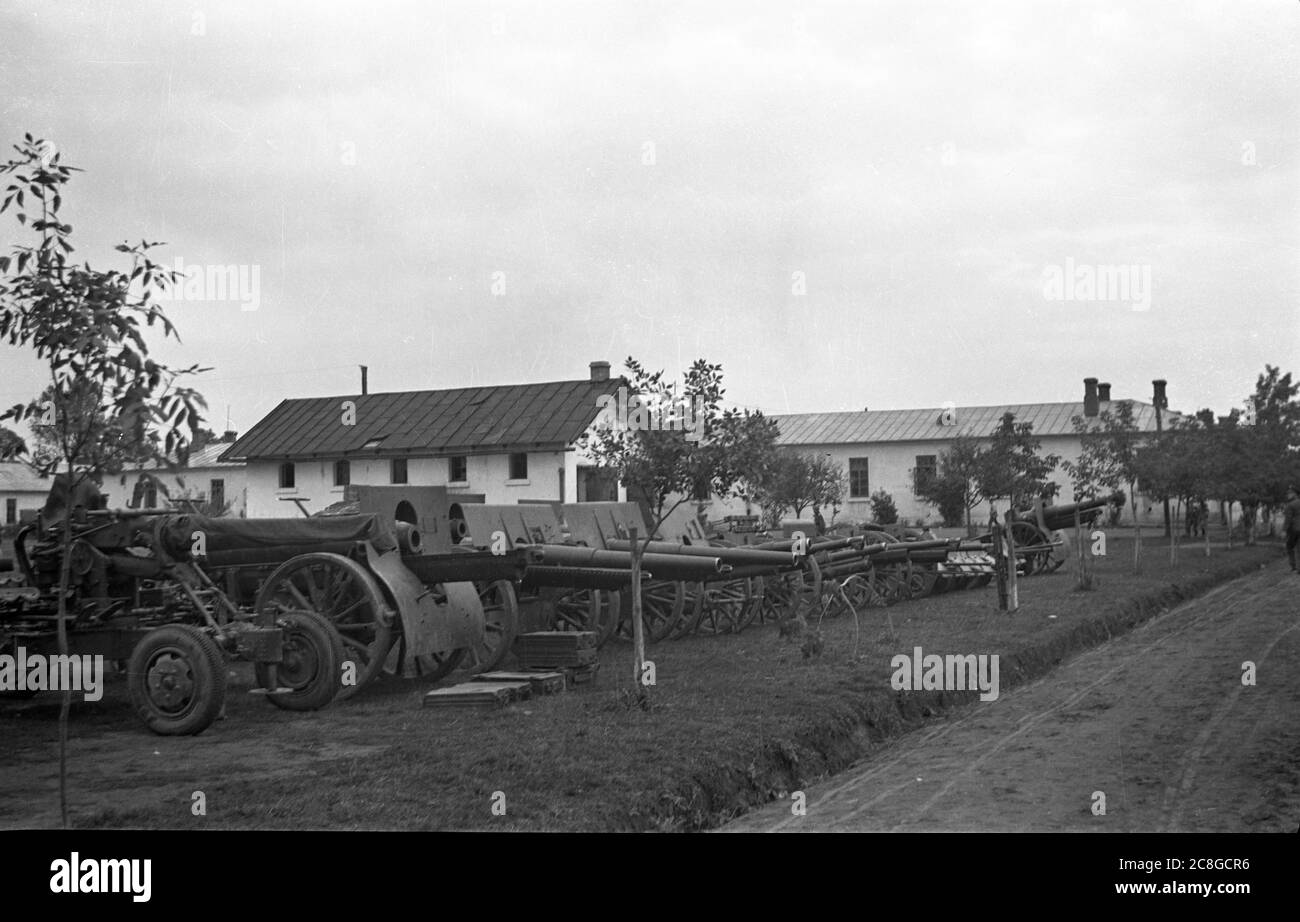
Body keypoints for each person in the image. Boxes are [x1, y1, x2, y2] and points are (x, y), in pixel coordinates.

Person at [1285, 487, 1300, 573]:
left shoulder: (1290, 505)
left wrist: (1284, 530)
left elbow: (1288, 519)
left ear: (1295, 494)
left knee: (1289, 547)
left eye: (1289, 493)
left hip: (1294, 529)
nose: (1287, 495)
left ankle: (1293, 566)